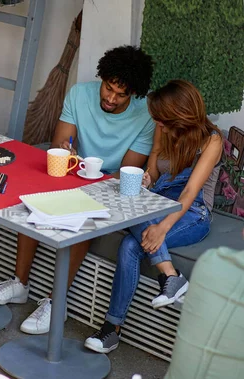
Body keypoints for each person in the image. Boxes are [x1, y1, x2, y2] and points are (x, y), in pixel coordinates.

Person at [0, 45, 155, 335]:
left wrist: (89, 179)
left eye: (120, 94)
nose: (110, 98)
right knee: (32, 201)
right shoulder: (79, 93)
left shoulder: (146, 115)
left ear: (134, 93)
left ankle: (55, 303)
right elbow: (60, 143)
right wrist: (65, 150)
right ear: (102, 78)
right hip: (72, 173)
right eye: (108, 87)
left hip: (107, 186)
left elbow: (126, 173)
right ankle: (19, 284)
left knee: (82, 220)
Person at [83, 80, 222, 354]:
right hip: (158, 201)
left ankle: (111, 330)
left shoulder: (212, 141)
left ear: (181, 116)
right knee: (128, 200)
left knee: (131, 245)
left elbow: (189, 192)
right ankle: (170, 275)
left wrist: (161, 228)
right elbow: (155, 169)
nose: (159, 127)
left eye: (164, 121)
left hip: (192, 213)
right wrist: (147, 180)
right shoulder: (163, 129)